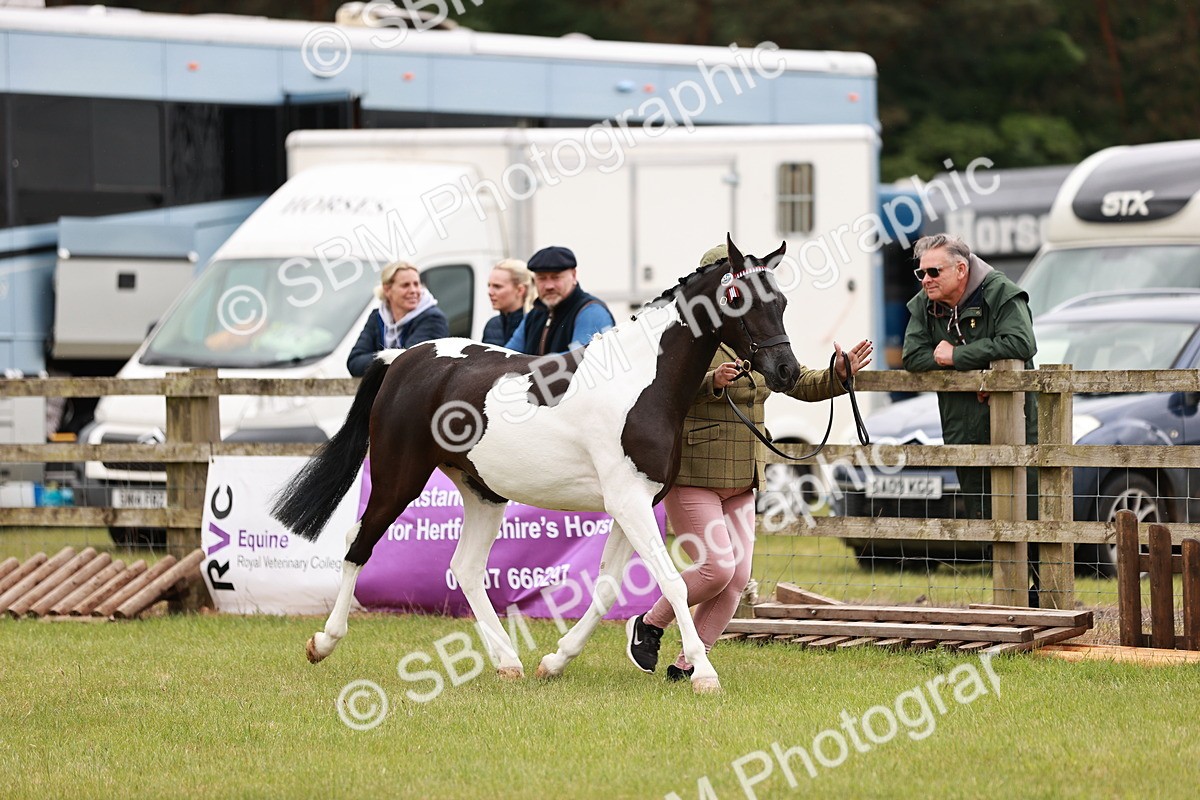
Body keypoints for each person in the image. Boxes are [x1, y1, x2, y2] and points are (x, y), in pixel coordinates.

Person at [625, 243, 873, 681]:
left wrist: (837, 374)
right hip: (694, 470)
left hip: (744, 473)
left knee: (736, 580)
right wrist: (710, 382)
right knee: (715, 568)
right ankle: (649, 624)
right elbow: (659, 392)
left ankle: (689, 663)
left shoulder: (754, 330)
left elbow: (795, 381)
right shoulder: (688, 336)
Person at [900, 233, 1040, 600]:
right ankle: (1011, 600)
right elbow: (913, 356)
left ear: (961, 269)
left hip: (1017, 423)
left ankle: (1044, 598)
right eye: (921, 272)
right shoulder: (924, 304)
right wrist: (975, 371)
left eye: (934, 271)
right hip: (963, 426)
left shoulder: (1001, 293)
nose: (926, 279)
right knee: (984, 514)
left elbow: (1021, 343)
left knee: (1030, 511)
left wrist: (955, 357)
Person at [503, 246, 615, 355]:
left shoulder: (591, 312)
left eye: (556, 277)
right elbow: (507, 357)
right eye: (541, 278)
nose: (549, 286)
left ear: (574, 275)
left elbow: (580, 360)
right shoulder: (534, 315)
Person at [347, 261, 450, 377]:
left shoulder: (433, 319)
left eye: (416, 284)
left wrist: (378, 361)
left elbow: (409, 363)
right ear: (387, 290)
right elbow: (354, 362)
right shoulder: (377, 317)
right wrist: (391, 358)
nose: (413, 290)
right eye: (405, 285)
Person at [482, 258, 534, 346]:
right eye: (489, 285)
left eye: (497, 286)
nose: (490, 292)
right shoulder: (493, 325)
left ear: (520, 290)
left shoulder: (533, 324)